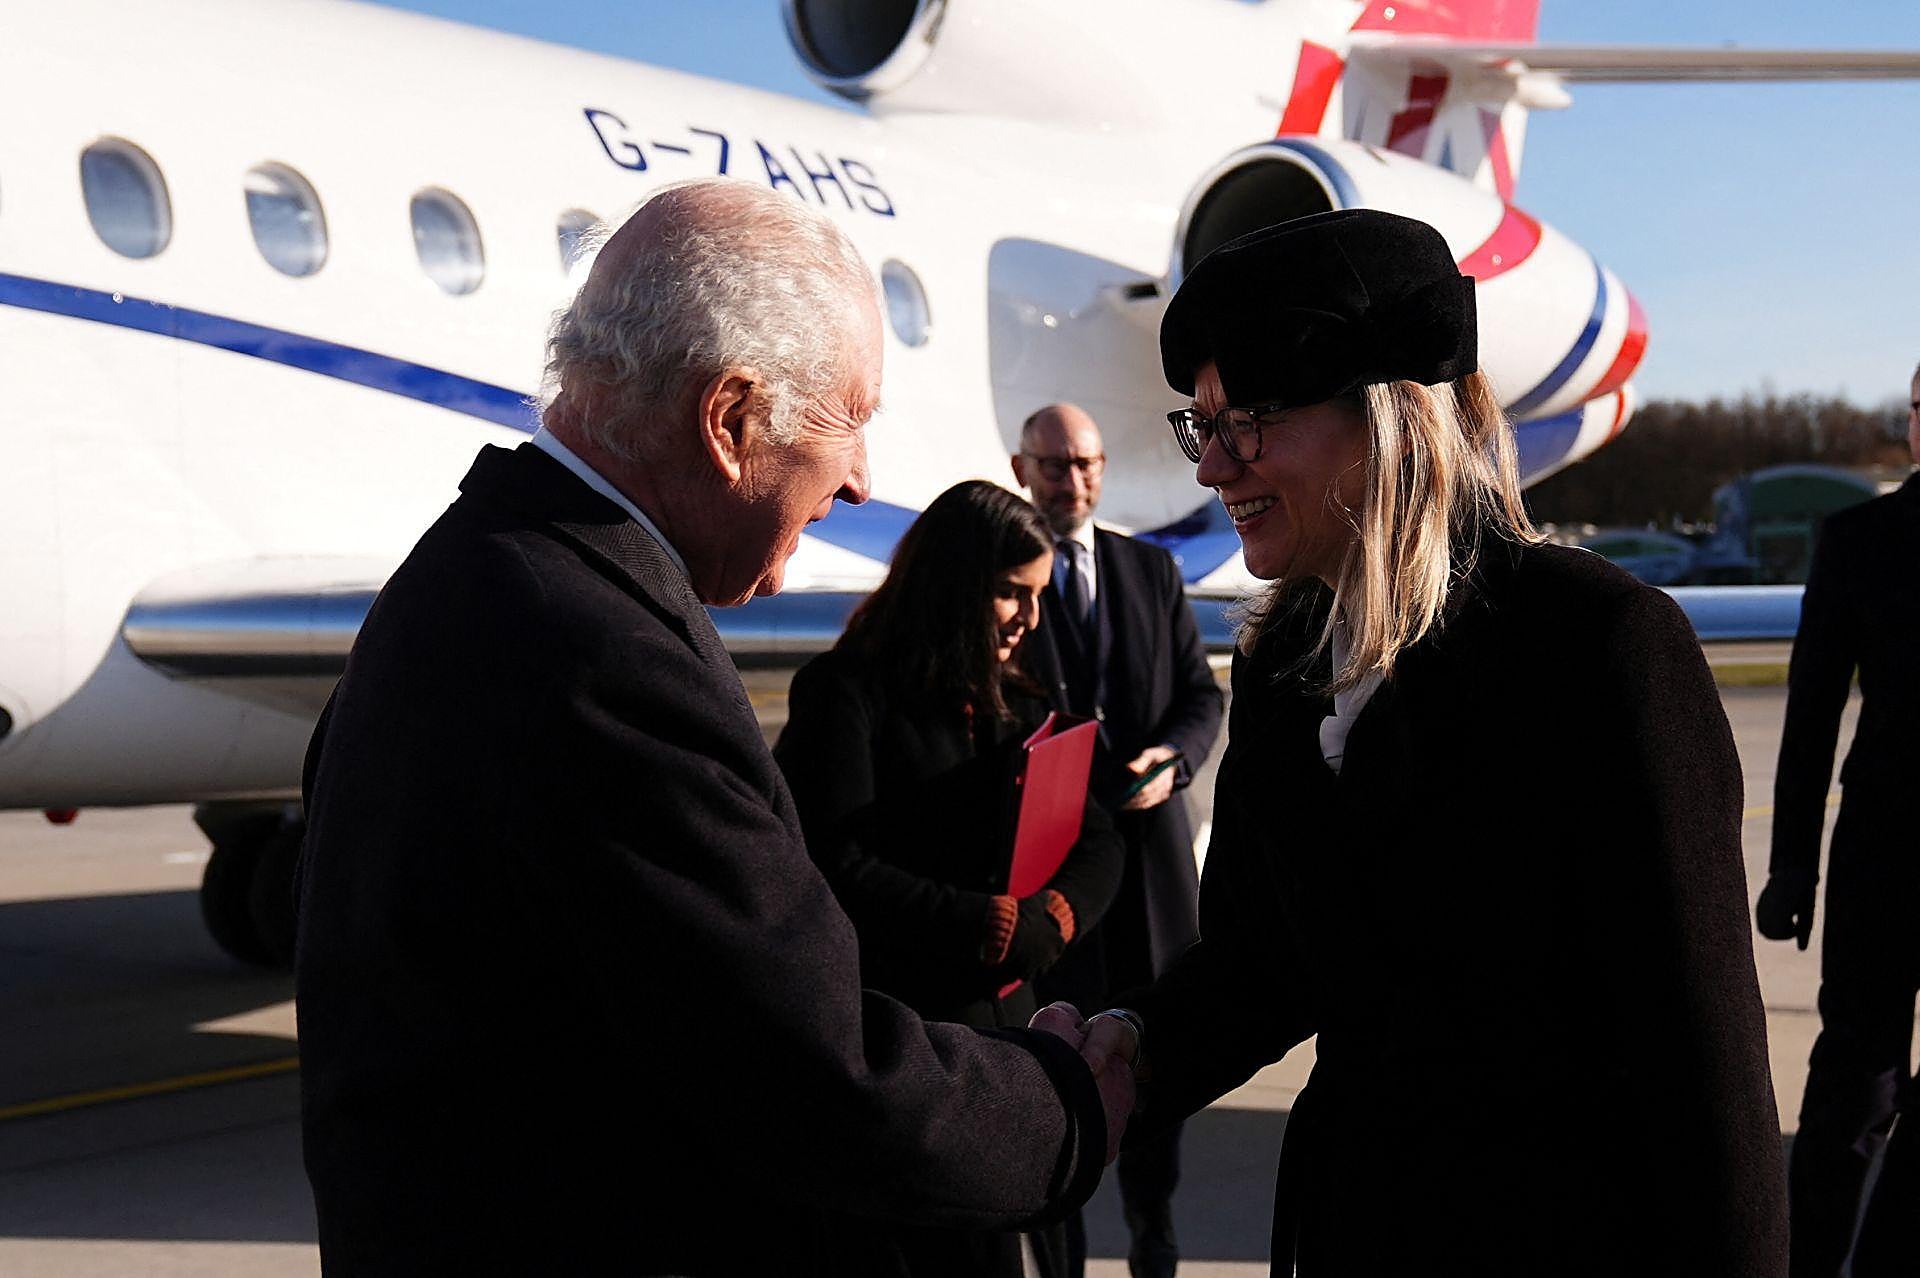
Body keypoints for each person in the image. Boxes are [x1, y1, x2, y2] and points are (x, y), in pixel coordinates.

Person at [294, 179, 1128, 1275]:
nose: (860, 479)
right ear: (731, 422)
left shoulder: (485, 575)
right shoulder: (595, 652)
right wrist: (1063, 1106)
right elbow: (809, 1074)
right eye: (851, 418)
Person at [1057, 208, 1788, 1275]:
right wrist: (1131, 1043)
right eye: (1199, 423)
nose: (1212, 467)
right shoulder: (1284, 659)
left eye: (1247, 420)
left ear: (1390, 419)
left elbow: (1707, 1079)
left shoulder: (1600, 648)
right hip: (1352, 1232)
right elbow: (1266, 969)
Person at [774, 479, 1126, 1277]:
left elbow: (1100, 836)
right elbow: (834, 865)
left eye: (1037, 596)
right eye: (1009, 593)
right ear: (952, 581)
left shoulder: (1016, 699)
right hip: (908, 1053)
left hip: (1016, 1036)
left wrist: (1056, 916)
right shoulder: (846, 694)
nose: (1028, 620)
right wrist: (989, 923)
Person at [1011, 404, 1223, 1278]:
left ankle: (1155, 1241)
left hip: (1148, 872)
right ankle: (1062, 1255)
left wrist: (1174, 758)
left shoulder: (1150, 570)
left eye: (1089, 464)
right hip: (1052, 878)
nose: (1076, 482)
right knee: (1050, 1071)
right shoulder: (1008, 578)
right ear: (1022, 469)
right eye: (1057, 466)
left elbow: (1200, 698)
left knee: (1152, 1073)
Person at [1756, 362, 1920, 1277]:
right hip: (1884, 859)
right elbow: (1811, 717)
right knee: (1854, 1089)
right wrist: (1793, 869)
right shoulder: (1860, 539)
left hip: (1881, 855)